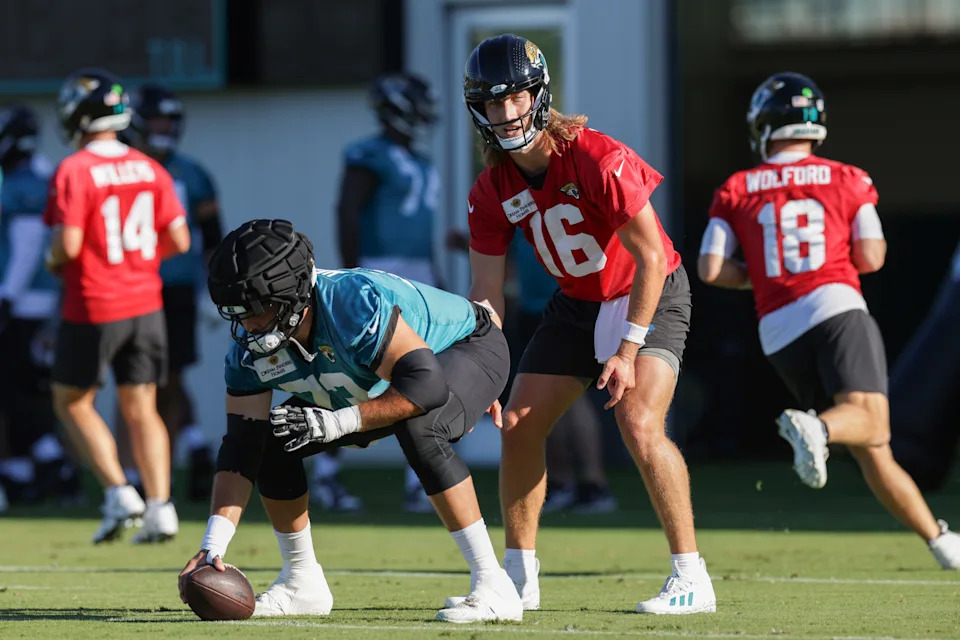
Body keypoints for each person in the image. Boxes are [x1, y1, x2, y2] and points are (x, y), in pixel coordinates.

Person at [462, 34, 716, 614]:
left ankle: (691, 577)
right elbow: (486, 293)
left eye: (516, 97)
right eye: (493, 102)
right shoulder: (491, 188)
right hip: (577, 302)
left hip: (647, 292)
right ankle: (517, 579)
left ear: (539, 95)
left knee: (639, 422)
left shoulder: (597, 157)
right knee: (518, 424)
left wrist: (627, 348)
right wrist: (483, 371)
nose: (507, 112)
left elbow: (652, 256)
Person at [177, 219, 523, 623]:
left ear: (294, 296)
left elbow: (426, 386)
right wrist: (213, 544)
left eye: (257, 311)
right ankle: (301, 581)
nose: (249, 326)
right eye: (238, 313)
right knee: (273, 439)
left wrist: (337, 423)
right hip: (374, 379)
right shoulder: (248, 352)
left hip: (464, 348)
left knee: (420, 425)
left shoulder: (351, 304)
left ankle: (494, 584)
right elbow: (241, 447)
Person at [697, 71, 960, 569]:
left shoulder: (737, 187)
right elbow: (872, 256)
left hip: (778, 331)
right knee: (871, 422)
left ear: (764, 124)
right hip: (835, 308)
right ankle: (816, 428)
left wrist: (768, 278)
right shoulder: (846, 178)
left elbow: (711, 268)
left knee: (872, 445)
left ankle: (940, 540)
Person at [43, 68, 191, 543]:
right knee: (142, 406)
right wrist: (136, 262)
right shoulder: (151, 167)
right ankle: (161, 507)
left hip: (94, 301)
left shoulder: (74, 169)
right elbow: (180, 240)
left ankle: (118, 491)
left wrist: (51, 259)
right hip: (145, 301)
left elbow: (67, 244)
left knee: (72, 399)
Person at [332, 73, 443, 513]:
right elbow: (347, 212)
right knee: (358, 374)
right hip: (380, 270)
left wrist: (435, 276)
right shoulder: (368, 156)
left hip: (417, 273)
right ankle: (326, 473)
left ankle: (419, 479)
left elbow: (421, 228)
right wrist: (353, 275)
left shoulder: (419, 160)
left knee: (423, 371)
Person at [115, 83, 224, 501]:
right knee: (132, 380)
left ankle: (160, 471)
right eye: (157, 120)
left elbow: (212, 238)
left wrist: (216, 289)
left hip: (174, 287)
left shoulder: (191, 174)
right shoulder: (120, 169)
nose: (164, 128)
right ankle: (134, 471)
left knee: (168, 377)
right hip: (128, 285)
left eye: (169, 121)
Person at [0, 106, 79, 506]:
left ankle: (52, 462)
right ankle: (27, 471)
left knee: (16, 389)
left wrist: (6, 297)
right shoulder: (42, 176)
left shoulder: (26, 185)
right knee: (30, 389)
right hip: (47, 300)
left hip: (26, 303)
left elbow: (28, 246)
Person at [507, 234, 617, 514]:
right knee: (543, 403)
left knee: (572, 399)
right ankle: (562, 482)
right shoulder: (520, 216)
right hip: (536, 312)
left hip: (565, 309)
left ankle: (593, 484)